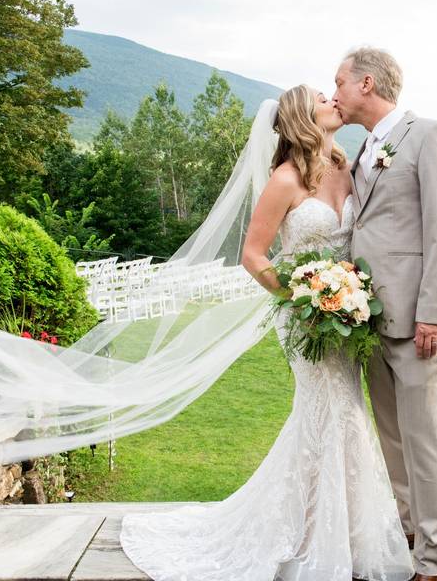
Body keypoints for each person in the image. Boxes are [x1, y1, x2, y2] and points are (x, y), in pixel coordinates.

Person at [119, 84, 414, 581]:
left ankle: (336, 529)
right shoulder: (285, 179)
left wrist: (346, 296)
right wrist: (306, 298)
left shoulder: (347, 164)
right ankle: (310, 537)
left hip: (348, 315)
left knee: (347, 416)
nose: (333, 100)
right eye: (324, 97)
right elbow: (253, 257)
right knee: (331, 414)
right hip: (306, 319)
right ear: (304, 116)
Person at [333, 47, 437, 581]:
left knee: (424, 441)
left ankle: (432, 563)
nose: (335, 91)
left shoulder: (429, 135)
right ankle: (410, 531)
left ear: (367, 83)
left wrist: (433, 311)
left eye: (339, 81)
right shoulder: (363, 149)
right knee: (392, 437)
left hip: (419, 323)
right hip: (371, 319)